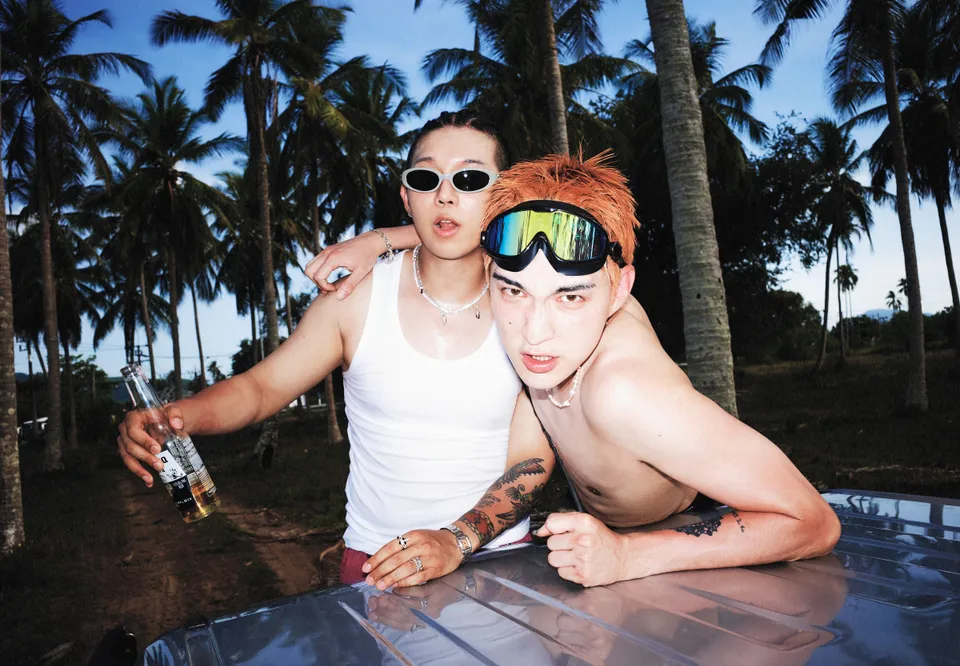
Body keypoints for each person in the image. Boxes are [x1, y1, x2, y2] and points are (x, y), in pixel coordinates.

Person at [310, 152, 842, 589]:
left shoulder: (626, 390)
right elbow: (459, 232)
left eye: (570, 297)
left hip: (682, 537)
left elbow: (814, 522)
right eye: (514, 291)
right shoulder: (544, 331)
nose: (535, 332)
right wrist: (378, 241)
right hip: (592, 529)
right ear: (491, 274)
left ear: (619, 291)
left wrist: (628, 556)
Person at [116, 110, 553, 585]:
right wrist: (179, 416)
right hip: (378, 569)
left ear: (503, 195)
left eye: (469, 179)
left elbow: (530, 460)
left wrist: (454, 540)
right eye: (426, 179)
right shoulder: (354, 301)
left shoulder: (530, 300)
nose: (445, 195)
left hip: (498, 562)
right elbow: (261, 387)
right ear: (407, 198)